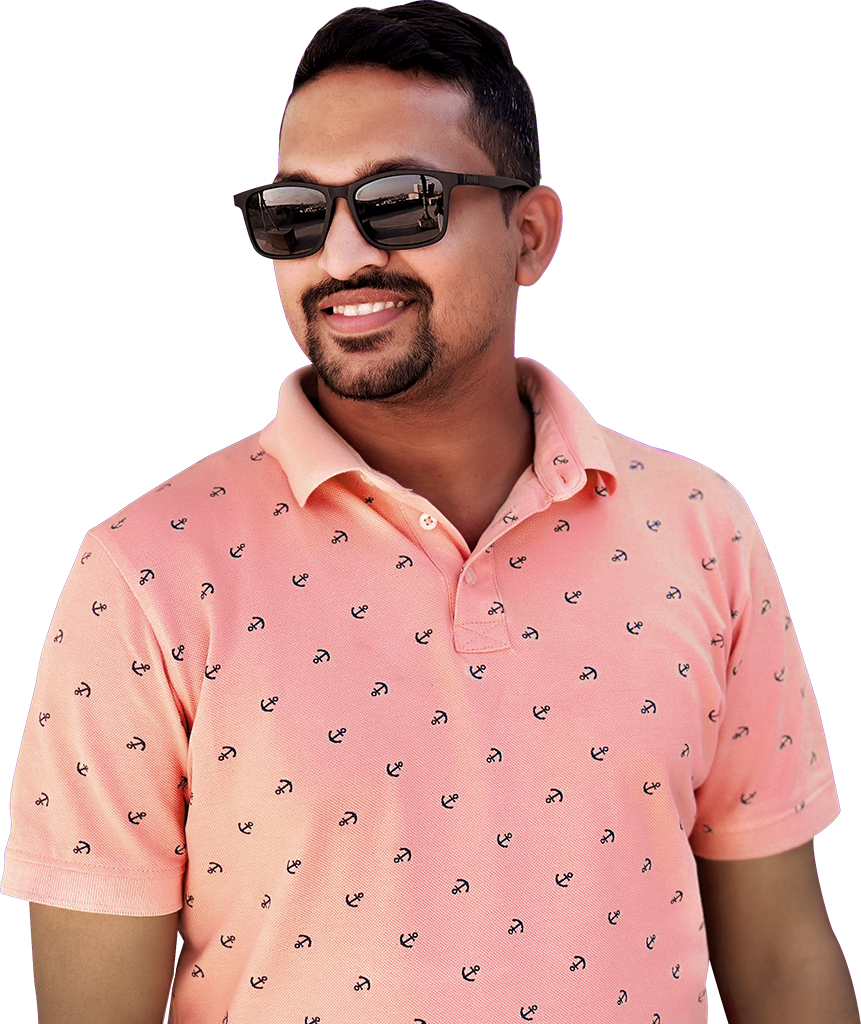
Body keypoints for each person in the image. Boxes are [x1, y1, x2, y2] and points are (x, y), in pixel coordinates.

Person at [2, 3, 857, 1023]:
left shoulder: (701, 532)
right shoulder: (145, 574)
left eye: (399, 203)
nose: (339, 257)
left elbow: (782, 961)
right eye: (296, 213)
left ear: (528, 235)